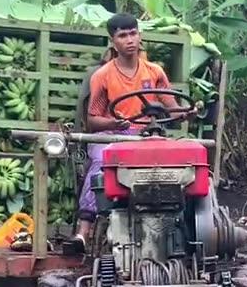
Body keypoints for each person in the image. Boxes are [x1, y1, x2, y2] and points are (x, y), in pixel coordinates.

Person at [69, 13, 199, 252]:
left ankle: (190, 230)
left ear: (139, 35)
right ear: (112, 41)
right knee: (101, 160)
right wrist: (114, 124)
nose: (129, 40)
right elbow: (93, 119)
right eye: (122, 35)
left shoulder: (154, 72)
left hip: (146, 134)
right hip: (112, 135)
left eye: (133, 33)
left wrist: (187, 112)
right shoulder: (103, 76)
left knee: (184, 160)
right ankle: (83, 230)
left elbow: (171, 107)